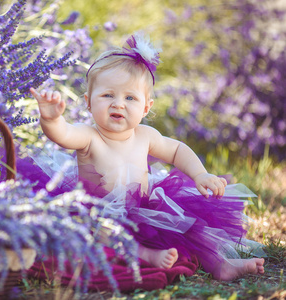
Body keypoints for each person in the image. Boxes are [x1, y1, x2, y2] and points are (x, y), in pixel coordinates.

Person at [29, 32, 264, 281]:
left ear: (146, 107)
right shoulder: (89, 136)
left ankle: (221, 264)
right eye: (107, 95)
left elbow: (176, 150)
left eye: (130, 97)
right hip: (97, 211)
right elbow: (63, 134)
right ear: (88, 102)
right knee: (103, 231)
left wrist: (200, 174)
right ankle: (146, 255)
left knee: (189, 226)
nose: (118, 104)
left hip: (144, 208)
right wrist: (51, 119)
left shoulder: (145, 135)